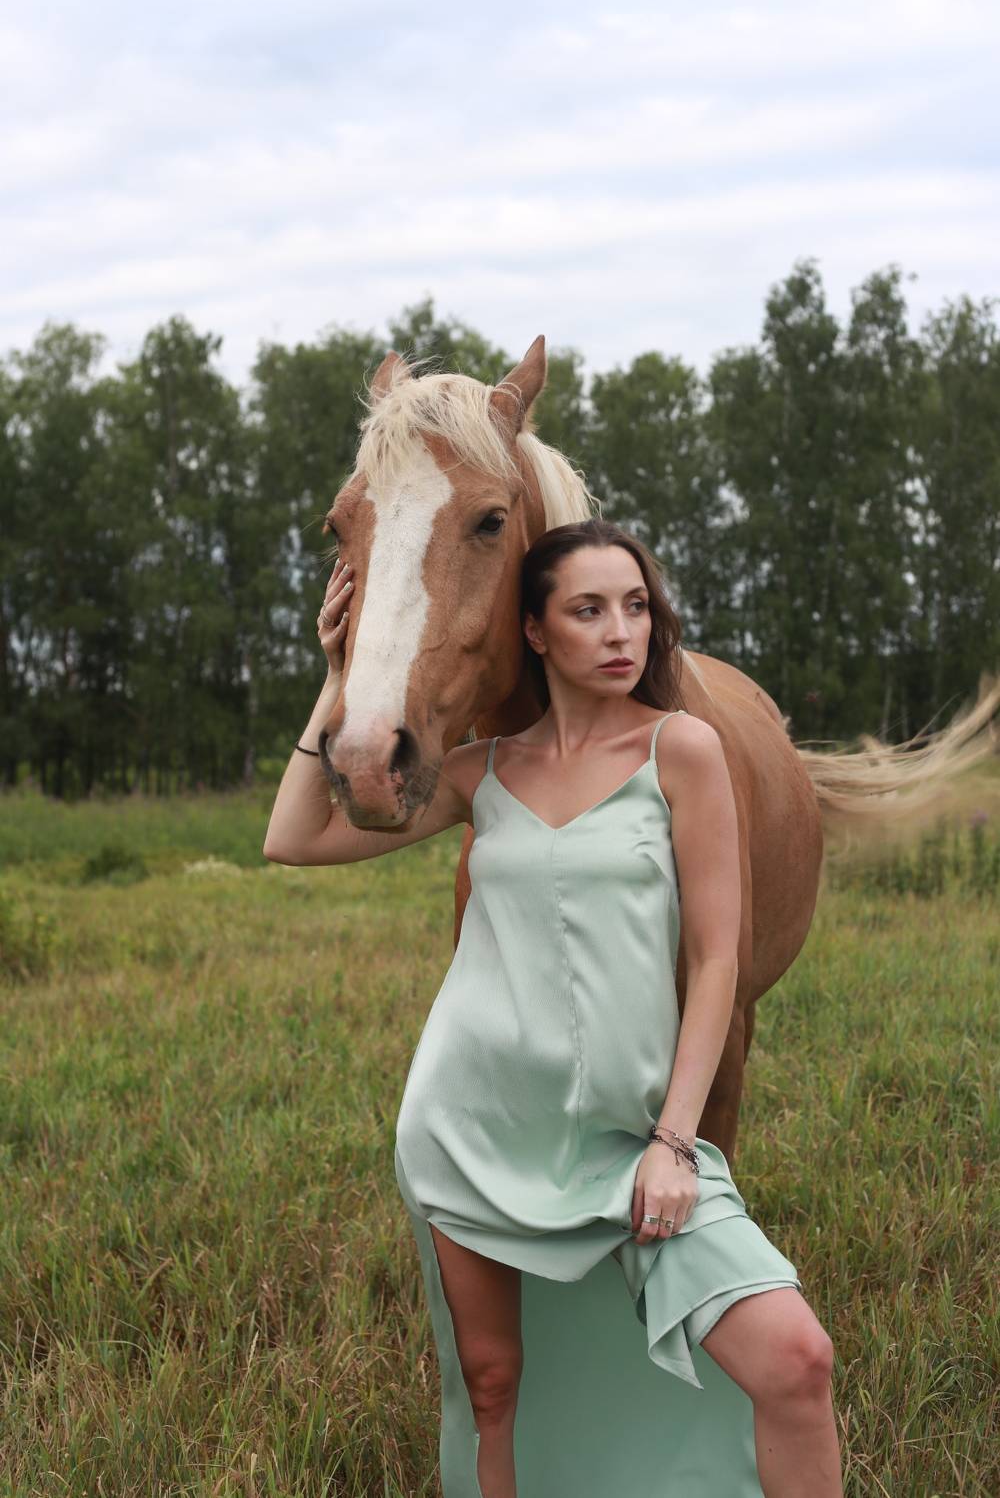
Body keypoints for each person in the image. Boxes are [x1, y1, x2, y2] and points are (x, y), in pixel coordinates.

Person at [264, 518, 844, 1498]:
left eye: (636, 607)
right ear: (534, 631)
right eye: (588, 610)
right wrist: (336, 680)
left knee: (797, 1359)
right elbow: (293, 837)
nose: (622, 632)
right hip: (473, 1130)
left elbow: (717, 962)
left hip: (629, 1135)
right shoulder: (481, 773)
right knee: (494, 1385)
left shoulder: (682, 751)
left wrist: (674, 1143)